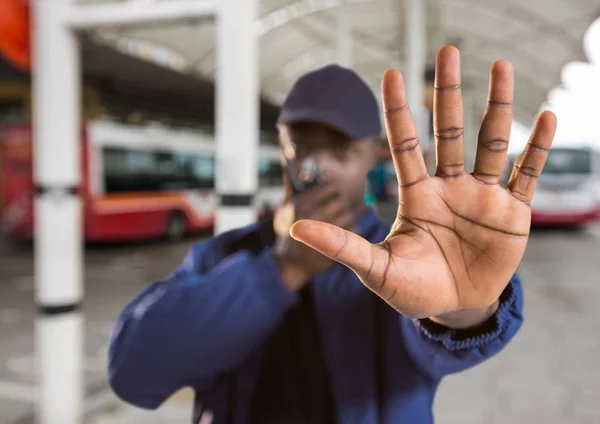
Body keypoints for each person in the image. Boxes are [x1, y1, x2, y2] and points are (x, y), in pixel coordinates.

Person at [107, 46, 557, 424]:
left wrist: (462, 309)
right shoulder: (223, 255)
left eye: (341, 149)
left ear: (374, 155)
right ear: (280, 146)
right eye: (301, 146)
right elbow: (134, 371)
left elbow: (434, 350)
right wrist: (282, 270)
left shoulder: (399, 256)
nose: (316, 168)